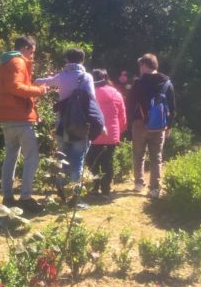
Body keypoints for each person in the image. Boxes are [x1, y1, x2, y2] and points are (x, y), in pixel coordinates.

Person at [35, 48, 104, 207]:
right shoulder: (86, 77)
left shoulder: (61, 77)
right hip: (79, 126)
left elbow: (43, 81)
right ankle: (75, 199)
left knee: (62, 159)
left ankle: (61, 193)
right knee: (78, 160)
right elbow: (92, 102)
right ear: (82, 60)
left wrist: (32, 80)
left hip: (62, 125)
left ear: (67, 60)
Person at [0, 36, 48, 213]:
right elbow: (16, 87)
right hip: (21, 118)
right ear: (26, 48)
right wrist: (40, 90)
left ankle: (8, 197)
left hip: (6, 119)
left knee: (11, 157)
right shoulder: (18, 62)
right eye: (32, 51)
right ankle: (26, 197)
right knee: (32, 157)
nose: (32, 56)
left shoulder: (2, 65)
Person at [127, 53, 176, 199]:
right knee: (156, 157)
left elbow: (130, 105)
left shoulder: (138, 83)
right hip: (160, 125)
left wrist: (131, 123)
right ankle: (154, 189)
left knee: (138, 154)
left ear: (143, 65)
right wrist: (169, 126)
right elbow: (172, 108)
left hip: (140, 124)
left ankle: (138, 183)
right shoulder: (167, 83)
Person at [86, 69, 127, 199]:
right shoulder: (116, 93)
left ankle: (94, 187)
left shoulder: (89, 93)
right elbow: (122, 115)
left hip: (93, 134)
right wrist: (120, 130)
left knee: (92, 162)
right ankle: (105, 190)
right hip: (111, 134)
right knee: (107, 162)